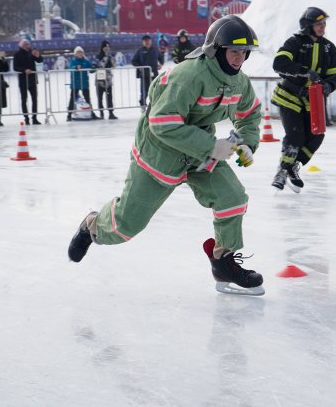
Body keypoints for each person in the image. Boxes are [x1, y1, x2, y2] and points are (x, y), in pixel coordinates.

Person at [67, 15, 265, 295]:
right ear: (216, 49)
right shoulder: (189, 76)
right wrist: (212, 147)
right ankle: (92, 226)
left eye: (244, 53)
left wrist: (246, 142)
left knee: (232, 197)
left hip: (199, 152)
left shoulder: (238, 82)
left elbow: (250, 112)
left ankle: (223, 262)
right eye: (234, 51)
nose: (239, 58)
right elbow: (162, 122)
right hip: (160, 153)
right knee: (126, 226)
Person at [271, 7, 336, 192]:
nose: (323, 27)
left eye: (324, 23)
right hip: (289, 98)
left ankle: (294, 166)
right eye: (319, 23)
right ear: (308, 26)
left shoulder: (329, 47)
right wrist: (304, 72)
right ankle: (282, 171)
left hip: (313, 102)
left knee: (317, 136)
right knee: (295, 136)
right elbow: (278, 64)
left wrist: (329, 85)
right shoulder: (294, 42)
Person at [13, 38, 44, 125]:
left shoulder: (31, 52)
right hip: (23, 80)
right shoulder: (17, 54)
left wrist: (38, 55)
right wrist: (24, 70)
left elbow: (40, 60)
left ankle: (34, 118)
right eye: (26, 44)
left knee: (34, 99)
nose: (28, 46)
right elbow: (15, 67)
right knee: (24, 100)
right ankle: (26, 118)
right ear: (22, 45)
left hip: (33, 80)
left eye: (28, 44)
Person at [67, 46, 99, 121]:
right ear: (75, 54)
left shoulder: (86, 61)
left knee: (88, 99)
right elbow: (70, 68)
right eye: (78, 52)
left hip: (84, 83)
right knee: (72, 99)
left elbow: (91, 70)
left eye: (81, 52)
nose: (80, 53)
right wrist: (76, 67)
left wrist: (94, 67)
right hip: (75, 83)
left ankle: (92, 113)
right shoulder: (73, 61)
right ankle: (69, 115)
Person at [131, 35, 160, 110]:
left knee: (155, 90)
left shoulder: (155, 49)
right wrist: (140, 67)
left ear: (151, 41)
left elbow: (161, 57)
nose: (147, 42)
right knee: (144, 91)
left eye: (148, 40)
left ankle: (155, 105)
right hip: (144, 75)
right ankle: (143, 104)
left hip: (154, 74)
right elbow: (134, 61)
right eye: (145, 41)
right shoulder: (140, 50)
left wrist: (161, 63)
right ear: (143, 42)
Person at [95, 40, 118, 119]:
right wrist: (105, 57)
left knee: (109, 97)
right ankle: (101, 113)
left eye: (108, 47)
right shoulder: (98, 56)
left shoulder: (111, 56)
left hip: (108, 80)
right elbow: (100, 65)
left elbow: (114, 65)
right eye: (105, 47)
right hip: (99, 80)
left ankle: (111, 113)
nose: (107, 48)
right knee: (100, 97)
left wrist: (110, 57)